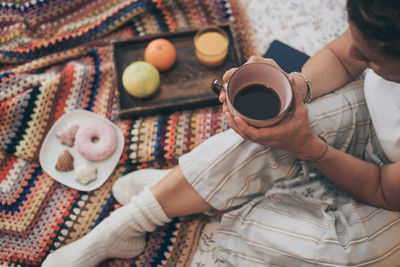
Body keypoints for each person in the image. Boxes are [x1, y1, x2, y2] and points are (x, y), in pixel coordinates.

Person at [43, 0, 400, 266]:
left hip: (390, 193)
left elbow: (383, 188)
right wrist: (294, 87)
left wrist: (310, 148)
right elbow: (343, 57)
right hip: (368, 116)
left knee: (346, 253)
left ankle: (203, 195)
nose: (355, 51)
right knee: (266, 135)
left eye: (369, 56)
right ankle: (128, 223)